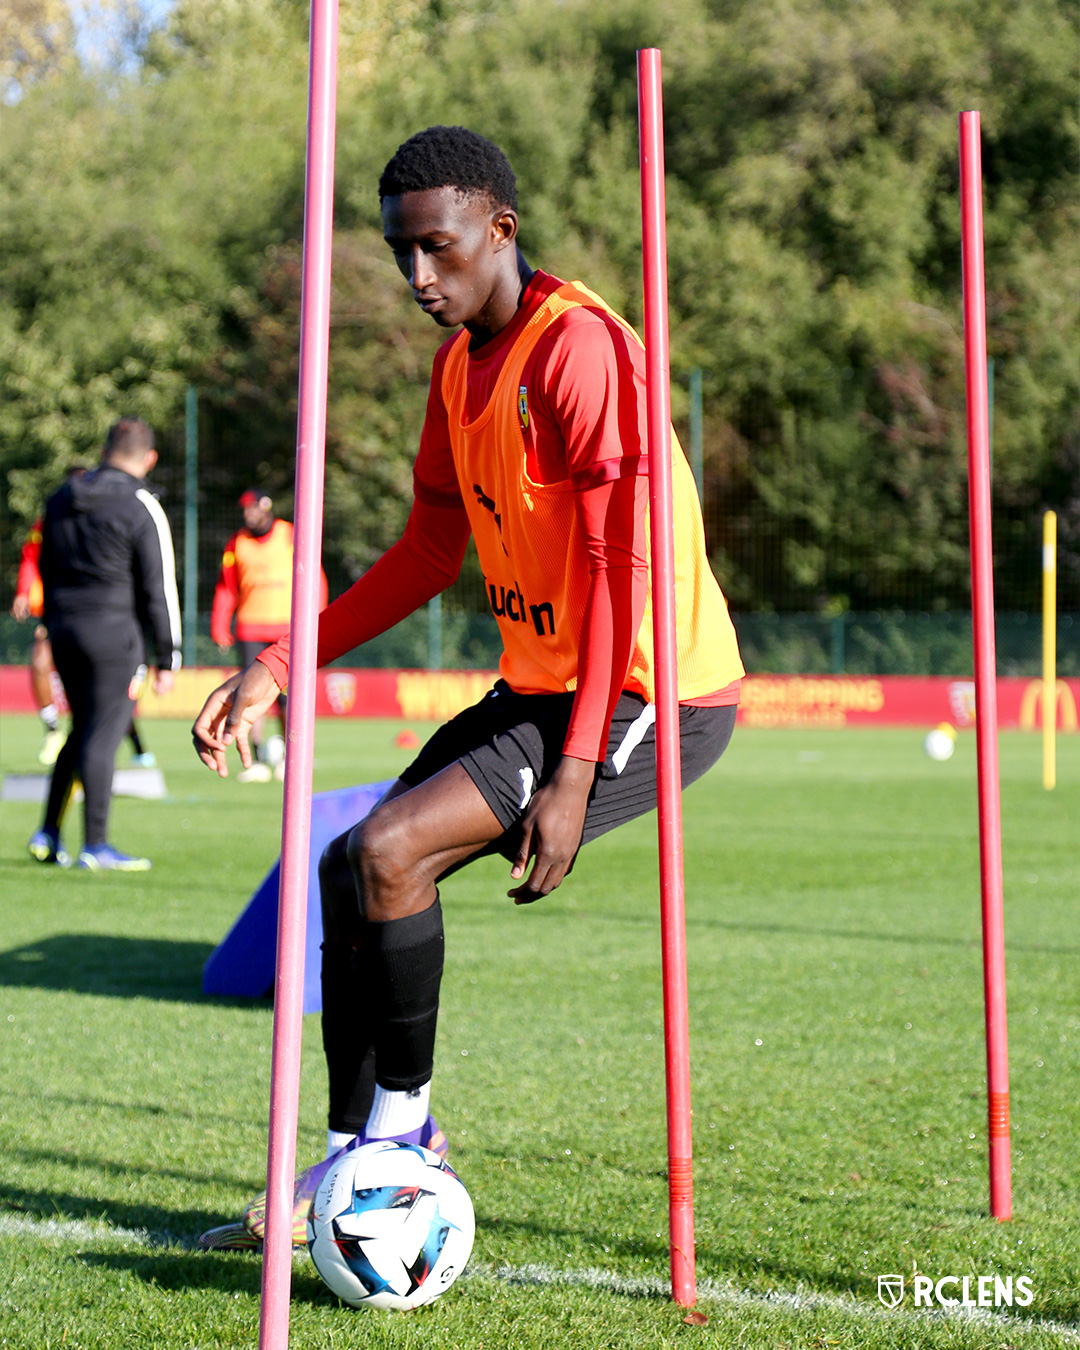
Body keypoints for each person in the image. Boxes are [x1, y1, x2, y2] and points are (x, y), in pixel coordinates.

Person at [191, 126, 744, 1250]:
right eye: (401, 253)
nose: (417, 278)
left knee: (394, 850)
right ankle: (368, 1153)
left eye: (436, 250)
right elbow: (422, 558)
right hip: (546, 682)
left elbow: (619, 578)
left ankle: (398, 1147)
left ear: (500, 228)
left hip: (648, 690)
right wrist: (274, 665)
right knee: (355, 863)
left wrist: (579, 772)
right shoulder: (457, 370)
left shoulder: (579, 349)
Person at [29, 418, 182, 871]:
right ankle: (95, 844)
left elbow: (44, 565)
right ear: (148, 458)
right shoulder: (140, 504)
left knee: (81, 731)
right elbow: (160, 586)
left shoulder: (62, 497)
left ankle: (48, 833)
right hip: (115, 634)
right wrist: (168, 656)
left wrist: (51, 622)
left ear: (104, 449)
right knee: (104, 734)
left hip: (64, 628)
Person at [12, 479, 158, 771]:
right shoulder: (52, 522)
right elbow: (35, 560)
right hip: (64, 617)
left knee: (109, 695)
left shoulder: (109, 521)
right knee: (46, 665)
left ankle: (135, 744)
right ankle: (54, 733)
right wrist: (27, 595)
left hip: (108, 622)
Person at [210, 489, 327, 782]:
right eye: (244, 509)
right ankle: (259, 758)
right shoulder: (236, 543)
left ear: (266, 507)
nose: (248, 514)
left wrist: (320, 616)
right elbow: (227, 586)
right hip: (250, 628)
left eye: (252, 508)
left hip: (288, 629)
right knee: (250, 694)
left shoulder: (290, 533)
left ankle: (293, 757)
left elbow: (315, 574)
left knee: (289, 698)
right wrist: (219, 624)